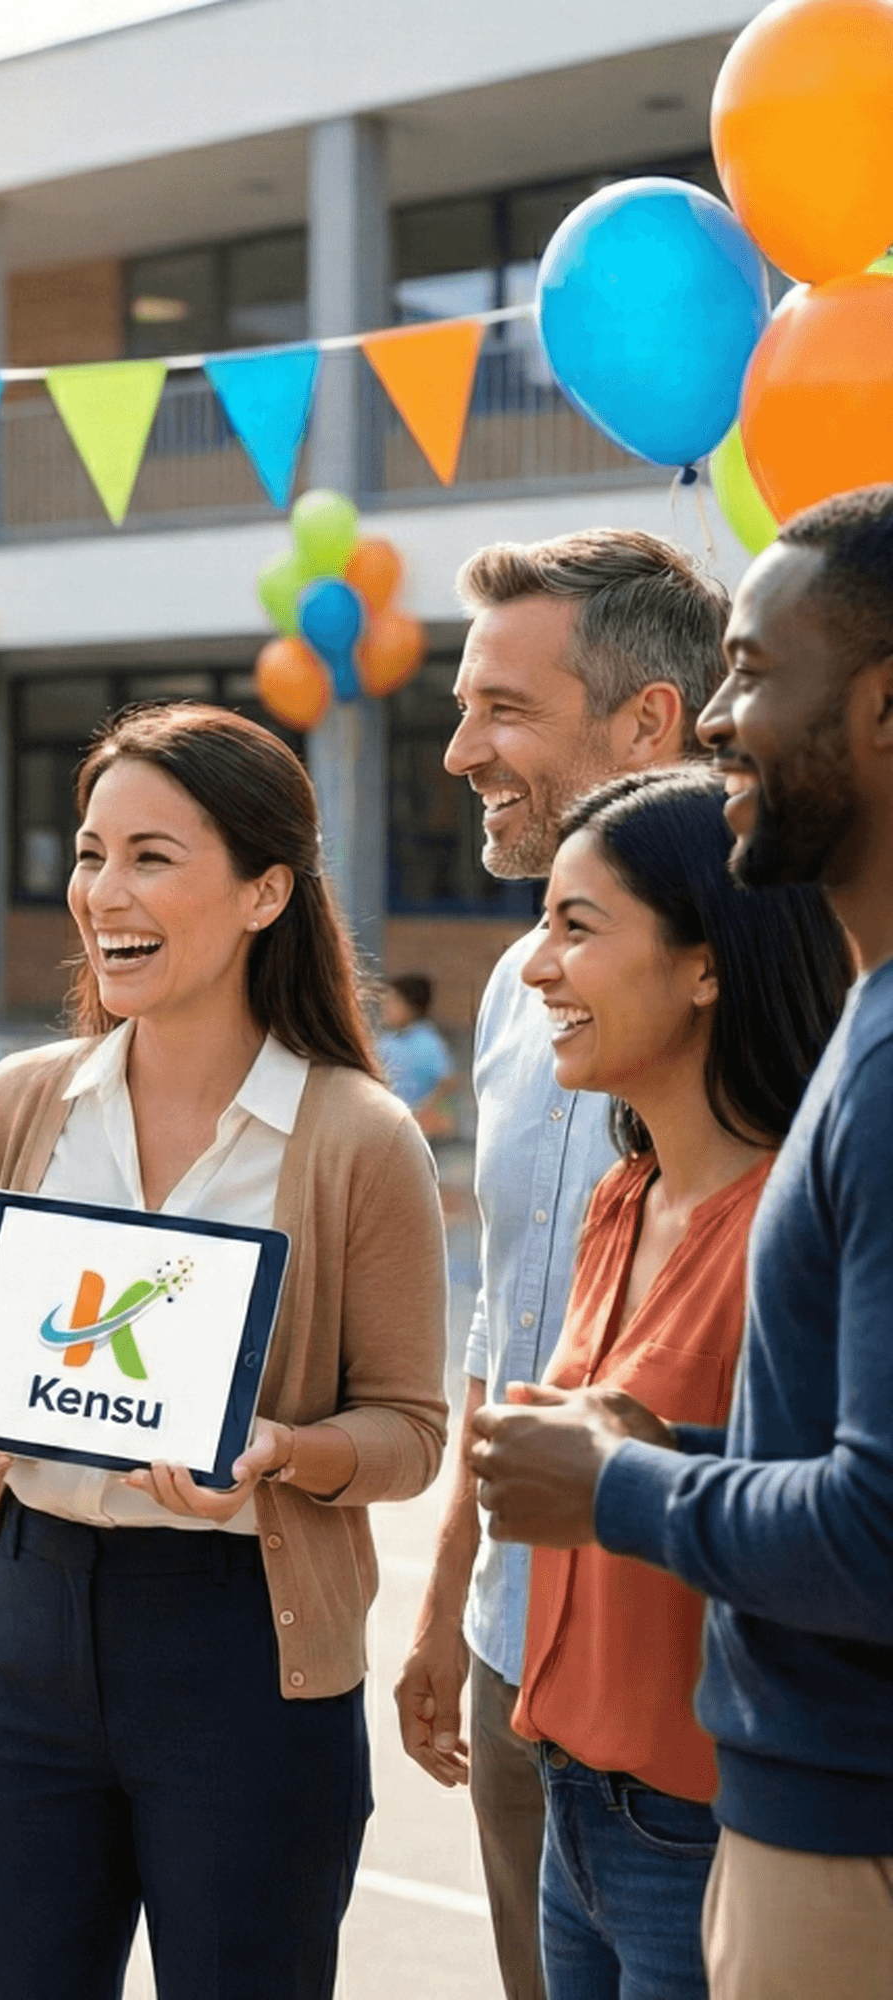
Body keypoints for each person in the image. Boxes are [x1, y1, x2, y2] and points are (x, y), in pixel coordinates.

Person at [0, 703, 450, 2000]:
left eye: (152, 856)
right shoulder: (18, 1102)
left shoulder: (358, 1138)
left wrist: (277, 1450)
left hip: (244, 1644)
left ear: (266, 890)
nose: (104, 892)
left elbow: (410, 1433)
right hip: (25, 1621)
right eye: (90, 853)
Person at [471, 488, 893, 2000]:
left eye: (753, 675)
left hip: (782, 1810)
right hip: (619, 1780)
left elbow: (874, 1525)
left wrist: (619, 1481)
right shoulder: (651, 1169)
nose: (719, 720)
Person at [397, 529, 728, 2000]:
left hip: (691, 1703)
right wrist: (448, 1603)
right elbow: (505, 1328)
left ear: (648, 722)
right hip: (509, 1652)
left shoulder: (787, 1007)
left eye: (502, 709)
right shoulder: (512, 990)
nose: (459, 749)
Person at [510, 771, 849, 1999]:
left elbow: (836, 1529)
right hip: (572, 1806)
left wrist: (627, 1471)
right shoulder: (621, 1193)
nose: (535, 965)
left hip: (706, 1834)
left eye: (575, 925)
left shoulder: (794, 1228)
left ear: (704, 963)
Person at [374, 972, 456, 1136]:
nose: (385, 1008)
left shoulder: (428, 1042)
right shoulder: (386, 1042)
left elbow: (448, 1082)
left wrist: (424, 1110)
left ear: (411, 1005)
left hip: (420, 1129)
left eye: (392, 1002)